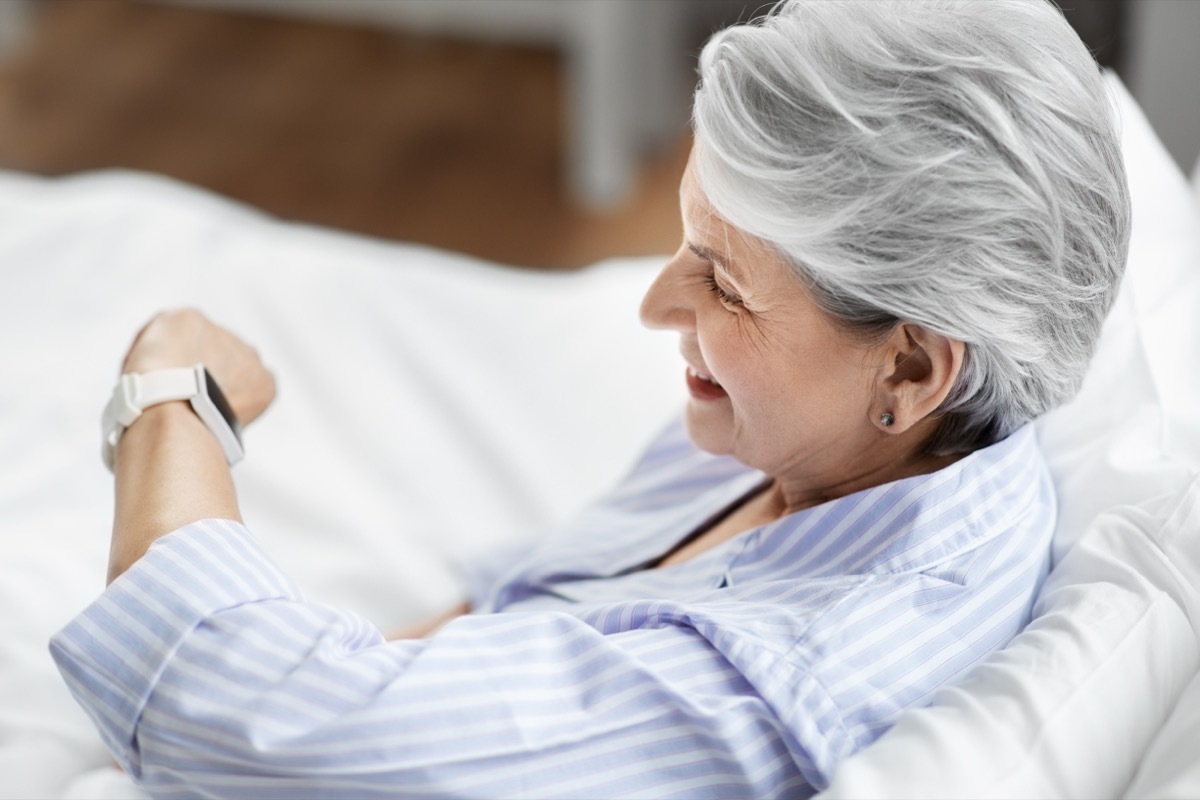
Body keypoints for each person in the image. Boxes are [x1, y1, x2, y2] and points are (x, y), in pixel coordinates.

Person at [51, 0, 1129, 796]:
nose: (661, 303)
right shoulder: (849, 444)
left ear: (909, 367)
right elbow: (523, 601)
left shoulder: (761, 680)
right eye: (687, 238)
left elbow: (226, 713)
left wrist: (170, 395)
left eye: (724, 280)